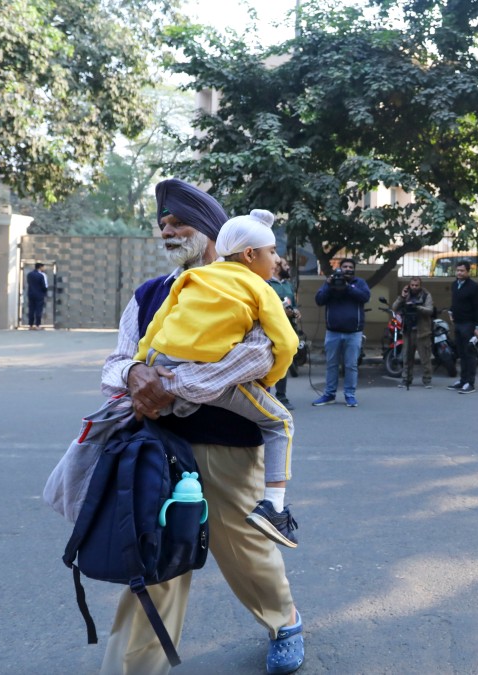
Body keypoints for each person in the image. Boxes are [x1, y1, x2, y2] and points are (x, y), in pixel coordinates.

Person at [99, 178, 302, 675]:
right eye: (163, 225)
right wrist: (134, 373)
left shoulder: (246, 284)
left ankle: (285, 621)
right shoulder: (150, 293)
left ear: (211, 229)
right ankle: (132, 668)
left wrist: (175, 383)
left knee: (243, 547)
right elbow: (115, 363)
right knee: (154, 557)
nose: (168, 232)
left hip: (228, 443)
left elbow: (263, 353)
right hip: (155, 447)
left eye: (178, 223)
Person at [133, 208, 301, 549]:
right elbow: (286, 343)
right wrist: (270, 378)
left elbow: (158, 325)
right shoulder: (261, 288)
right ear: (251, 254)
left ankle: (177, 402)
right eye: (272, 252)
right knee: (280, 422)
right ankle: (274, 508)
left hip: (162, 361)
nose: (276, 260)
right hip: (206, 373)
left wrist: (142, 362)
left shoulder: (193, 278)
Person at [312, 258, 370, 407]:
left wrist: (347, 287)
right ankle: (329, 394)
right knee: (332, 365)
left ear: (354, 269)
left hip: (354, 333)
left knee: (351, 365)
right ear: (340, 268)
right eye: (345, 267)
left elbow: (365, 297)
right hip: (333, 332)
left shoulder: (359, 283)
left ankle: (350, 395)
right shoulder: (330, 282)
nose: (347, 269)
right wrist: (329, 285)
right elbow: (319, 300)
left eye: (351, 267)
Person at [267, 256, 301, 409]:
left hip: (287, 330)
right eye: (286, 265)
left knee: (284, 363)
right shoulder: (266, 283)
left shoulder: (288, 285)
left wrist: (295, 311)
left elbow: (292, 305)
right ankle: (263, 397)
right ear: (278, 266)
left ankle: (282, 396)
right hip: (269, 330)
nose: (288, 268)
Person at [391, 276, 434, 388]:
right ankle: (406, 379)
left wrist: (417, 307)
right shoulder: (406, 295)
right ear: (409, 285)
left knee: (425, 358)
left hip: (422, 332)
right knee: (407, 357)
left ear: (420, 285)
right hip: (407, 331)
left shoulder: (426, 295)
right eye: (412, 285)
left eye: (416, 285)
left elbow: (430, 310)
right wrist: (402, 296)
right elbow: (394, 307)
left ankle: (427, 380)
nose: (414, 287)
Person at [447, 260, 478, 394]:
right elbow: (455, 302)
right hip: (458, 323)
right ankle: (462, 381)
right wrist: (451, 311)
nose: (459, 273)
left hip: (469, 324)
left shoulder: (474, 287)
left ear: (468, 272)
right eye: (458, 270)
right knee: (461, 354)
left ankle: (470, 383)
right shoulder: (455, 284)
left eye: (462, 271)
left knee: (469, 354)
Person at [26, 262, 47, 329]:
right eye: (43, 267)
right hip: (39, 294)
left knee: (31, 309)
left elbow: (28, 283)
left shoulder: (29, 274)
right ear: (40, 267)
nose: (44, 268)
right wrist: (44, 292)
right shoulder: (41, 275)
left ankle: (30, 325)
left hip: (31, 294)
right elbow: (43, 286)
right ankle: (38, 325)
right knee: (38, 309)